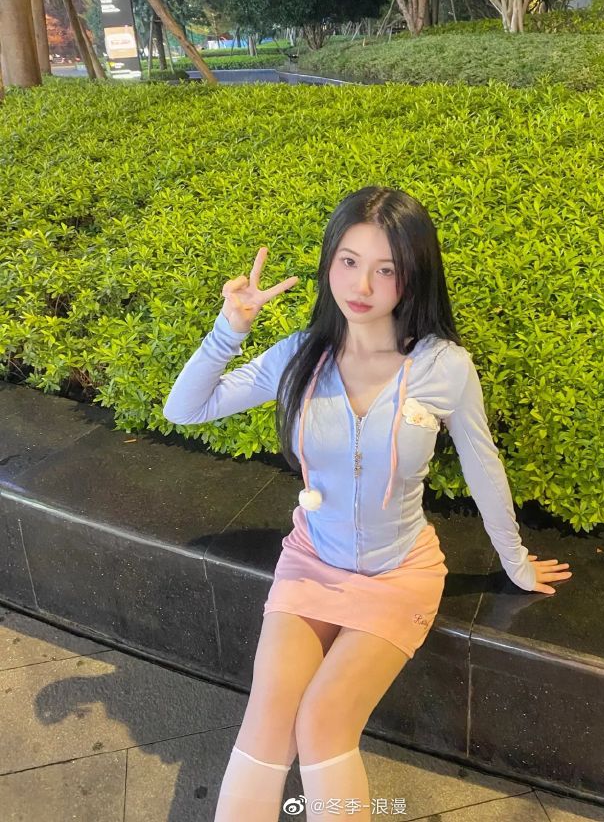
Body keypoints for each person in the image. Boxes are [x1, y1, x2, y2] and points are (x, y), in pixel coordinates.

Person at [162, 186, 573, 821]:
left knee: (322, 722)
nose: (362, 285)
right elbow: (184, 409)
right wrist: (229, 329)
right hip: (311, 563)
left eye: (386, 269)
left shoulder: (443, 367)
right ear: (329, 261)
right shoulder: (302, 354)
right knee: (267, 720)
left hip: (397, 573)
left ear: (413, 277)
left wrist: (515, 562)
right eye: (349, 261)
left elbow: (483, 467)